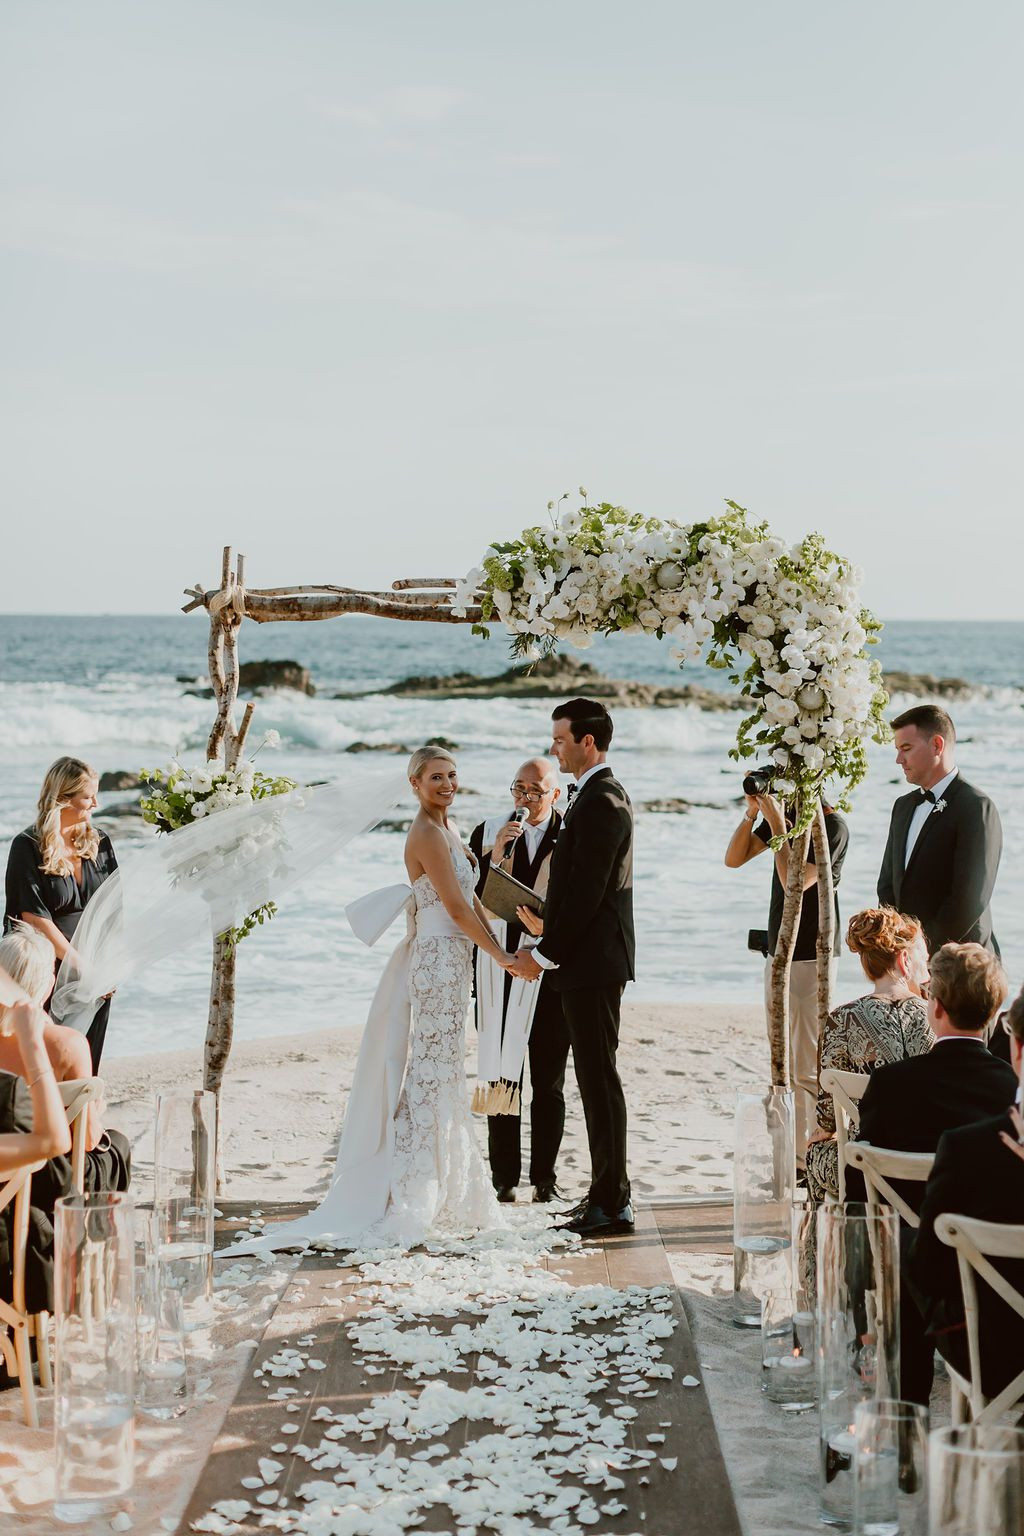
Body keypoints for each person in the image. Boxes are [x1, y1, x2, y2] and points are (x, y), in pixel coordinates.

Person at [227, 747, 519, 1257]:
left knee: (446, 1069)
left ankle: (444, 1184)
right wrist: (499, 954)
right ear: (414, 783)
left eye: (452, 775)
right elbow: (451, 905)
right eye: (436, 777)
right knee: (431, 1070)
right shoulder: (425, 834)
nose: (447, 784)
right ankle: (410, 1186)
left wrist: (501, 946)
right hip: (434, 961)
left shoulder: (448, 829)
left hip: (454, 960)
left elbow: (470, 898)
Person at [853, 941, 1015, 1406]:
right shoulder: (1010, 1090)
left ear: (934, 1004)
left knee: (905, 1245)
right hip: (993, 1269)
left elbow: (864, 1194)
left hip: (916, 1272)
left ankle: (908, 1408)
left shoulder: (891, 1086)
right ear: (995, 1009)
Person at [509, 700, 635, 1238]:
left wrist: (542, 953)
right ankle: (606, 1194)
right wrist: (543, 922)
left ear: (588, 742)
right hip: (583, 960)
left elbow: (588, 893)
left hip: (594, 963)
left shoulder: (604, 802)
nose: (553, 747)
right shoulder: (590, 799)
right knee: (593, 1079)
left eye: (560, 739)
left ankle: (612, 1201)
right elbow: (577, 887)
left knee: (599, 1081)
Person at [906, 989, 1024, 1406]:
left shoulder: (965, 1149)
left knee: (911, 1248)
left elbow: (927, 1271)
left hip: (994, 1358)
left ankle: (909, 1411)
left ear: (1018, 1049)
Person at [724, 785, 849, 1166]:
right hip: (781, 954)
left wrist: (778, 823)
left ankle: (804, 1158)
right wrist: (752, 814)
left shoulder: (833, 827)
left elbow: (791, 883)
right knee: (782, 1058)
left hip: (812, 955)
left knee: (805, 1062)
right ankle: (790, 1155)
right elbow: (733, 859)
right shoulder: (789, 823)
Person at [469, 759, 569, 1204]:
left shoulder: (572, 835)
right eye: (519, 789)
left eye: (535, 790)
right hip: (498, 966)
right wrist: (496, 856)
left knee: (548, 1082)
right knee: (500, 1071)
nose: (525, 798)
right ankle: (503, 1177)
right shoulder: (488, 831)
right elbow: (467, 899)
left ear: (556, 794)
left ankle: (544, 1178)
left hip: (550, 970)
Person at [804, 908, 932, 1206]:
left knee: (814, 1153)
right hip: (930, 1161)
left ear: (866, 964)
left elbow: (827, 1117)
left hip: (867, 1163)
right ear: (904, 960)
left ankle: (823, 1250)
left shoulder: (842, 1020)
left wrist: (824, 1132)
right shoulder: (936, 1016)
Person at [4, 757, 118, 1069]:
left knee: (87, 1056)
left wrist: (107, 965)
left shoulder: (99, 843)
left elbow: (112, 907)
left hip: (95, 965)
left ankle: (83, 1118)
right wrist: (80, 967)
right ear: (62, 798)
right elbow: (34, 918)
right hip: (44, 969)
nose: (96, 803)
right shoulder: (26, 846)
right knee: (44, 1060)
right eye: (87, 796)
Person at [877, 705, 1002, 958]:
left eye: (906, 749)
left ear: (937, 745)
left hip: (963, 965)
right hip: (909, 963)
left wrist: (924, 952)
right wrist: (896, 947)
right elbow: (887, 885)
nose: (899, 760)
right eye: (898, 750)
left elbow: (969, 898)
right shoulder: (902, 806)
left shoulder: (976, 807)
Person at [0, 925, 104, 1150]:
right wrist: (96, 1109)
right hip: (43, 1168)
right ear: (48, 986)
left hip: (7, 1169)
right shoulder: (68, 1044)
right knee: (117, 1148)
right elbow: (87, 1140)